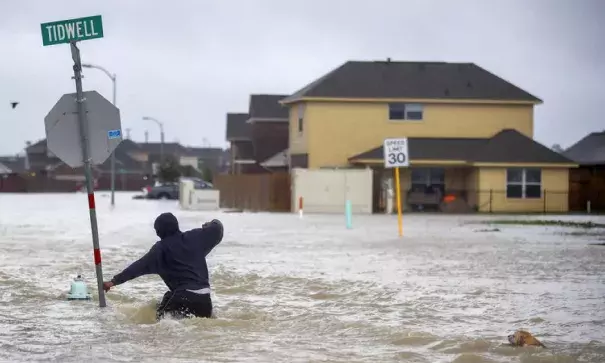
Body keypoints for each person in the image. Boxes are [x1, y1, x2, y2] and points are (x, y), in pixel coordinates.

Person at [103, 212, 224, 320]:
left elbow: (137, 267)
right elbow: (217, 228)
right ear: (176, 225)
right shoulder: (195, 237)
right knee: (168, 299)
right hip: (205, 301)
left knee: (161, 325)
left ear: (158, 232)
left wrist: (113, 282)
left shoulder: (160, 250)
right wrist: (208, 224)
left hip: (183, 297)